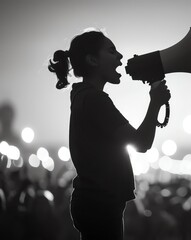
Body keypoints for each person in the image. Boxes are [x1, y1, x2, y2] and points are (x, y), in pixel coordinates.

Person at [48, 30, 171, 240]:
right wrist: (155, 102)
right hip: (100, 204)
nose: (120, 57)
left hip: (94, 202)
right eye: (112, 51)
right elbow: (141, 142)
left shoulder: (83, 97)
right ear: (92, 60)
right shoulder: (95, 100)